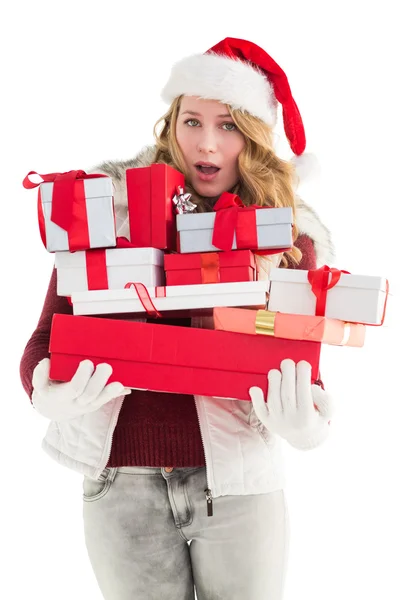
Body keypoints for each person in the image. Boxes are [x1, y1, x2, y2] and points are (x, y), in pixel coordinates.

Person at [20, 37, 335, 600]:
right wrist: (48, 390)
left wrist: (307, 420)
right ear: (171, 125)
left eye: (230, 125)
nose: (206, 143)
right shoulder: (107, 207)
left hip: (240, 484)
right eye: (192, 121)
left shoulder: (287, 238)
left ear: (256, 138)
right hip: (121, 483)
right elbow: (46, 337)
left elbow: (300, 359)